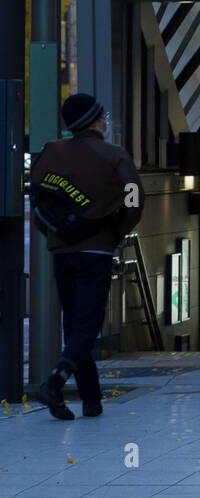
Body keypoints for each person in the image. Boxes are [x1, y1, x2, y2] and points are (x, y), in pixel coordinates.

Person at [30, 93, 144, 420]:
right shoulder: (114, 156)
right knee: (88, 324)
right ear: (94, 121)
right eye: (103, 116)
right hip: (96, 249)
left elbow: (38, 203)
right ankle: (55, 382)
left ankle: (91, 400)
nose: (106, 121)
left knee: (74, 324)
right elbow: (134, 200)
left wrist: (56, 234)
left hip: (62, 251)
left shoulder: (50, 154)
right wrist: (116, 232)